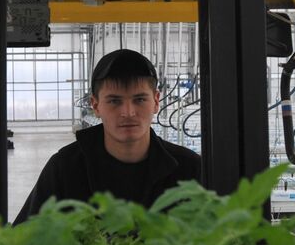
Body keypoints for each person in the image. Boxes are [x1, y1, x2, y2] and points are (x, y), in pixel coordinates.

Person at [13, 49, 202, 224]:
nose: (128, 112)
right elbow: (25, 239)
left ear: (156, 101)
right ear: (95, 106)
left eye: (139, 99)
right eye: (114, 101)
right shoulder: (65, 168)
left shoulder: (190, 170)